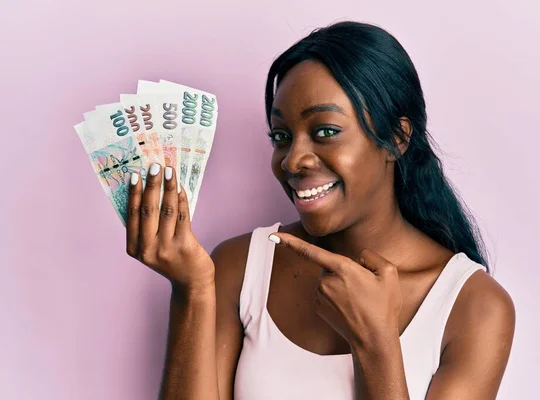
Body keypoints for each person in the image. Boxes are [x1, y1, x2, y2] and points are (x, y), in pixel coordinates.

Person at [125, 21, 515, 400]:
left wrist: (376, 346)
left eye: (326, 131)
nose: (293, 160)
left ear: (396, 138)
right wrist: (190, 290)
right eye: (281, 137)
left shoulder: (474, 307)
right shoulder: (239, 267)